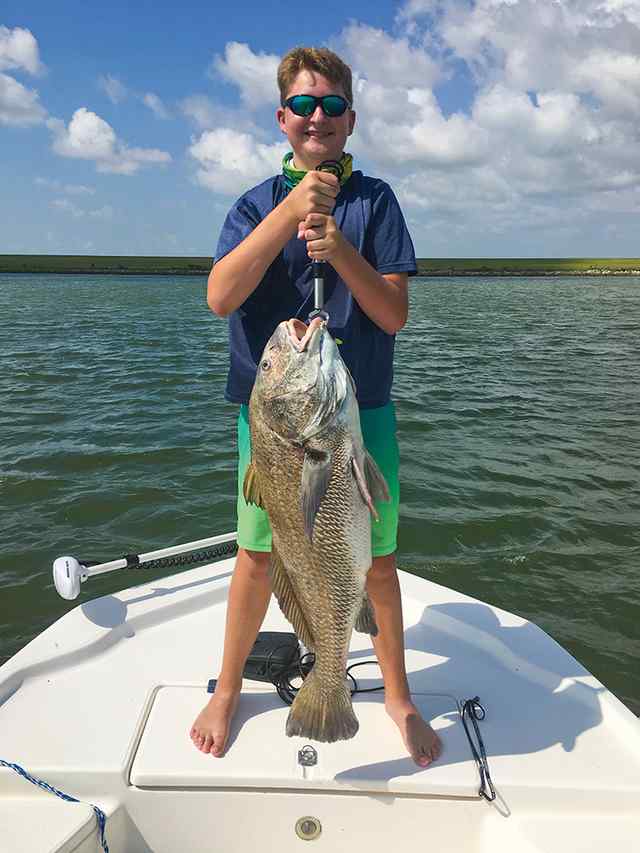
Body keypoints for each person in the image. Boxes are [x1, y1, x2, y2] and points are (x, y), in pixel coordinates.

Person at [190, 46, 442, 767]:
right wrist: (293, 211)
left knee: (380, 565)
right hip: (274, 430)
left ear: (351, 118)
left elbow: (392, 314)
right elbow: (219, 296)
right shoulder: (254, 205)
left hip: (359, 420)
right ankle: (228, 687)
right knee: (255, 557)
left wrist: (341, 247)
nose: (317, 117)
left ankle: (396, 696)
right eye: (303, 105)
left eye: (331, 105)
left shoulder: (377, 202)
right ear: (282, 118)